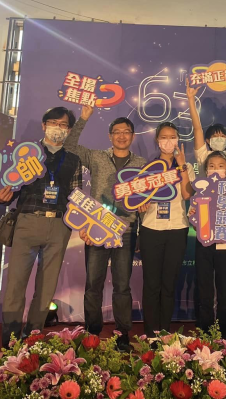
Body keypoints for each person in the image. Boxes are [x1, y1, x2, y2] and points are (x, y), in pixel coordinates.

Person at [0, 106, 83, 348]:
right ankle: (10, 340)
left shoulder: (73, 160)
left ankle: (33, 337)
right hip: (27, 221)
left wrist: (85, 221)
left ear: (69, 130)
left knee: (46, 287)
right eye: (53, 123)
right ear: (44, 125)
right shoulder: (26, 154)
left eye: (63, 125)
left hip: (59, 225)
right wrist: (2, 196)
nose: (58, 128)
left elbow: (76, 196)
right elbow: (10, 186)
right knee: (15, 284)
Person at [63, 105, 147, 351]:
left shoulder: (141, 163)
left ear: (132, 136)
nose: (122, 136)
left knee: (122, 286)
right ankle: (92, 334)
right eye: (117, 132)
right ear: (110, 136)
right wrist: (83, 118)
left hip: (126, 231)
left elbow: (144, 198)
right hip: (96, 229)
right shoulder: (97, 156)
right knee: (94, 284)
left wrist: (142, 221)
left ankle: (123, 335)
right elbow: (69, 147)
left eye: (126, 132)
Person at [138, 122, 194, 335]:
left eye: (172, 137)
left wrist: (182, 165)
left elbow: (187, 194)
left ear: (178, 140)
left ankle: (164, 333)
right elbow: (139, 198)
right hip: (151, 228)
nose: (168, 141)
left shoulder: (185, 167)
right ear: (157, 140)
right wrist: (141, 204)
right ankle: (150, 333)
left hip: (177, 228)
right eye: (164, 137)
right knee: (151, 284)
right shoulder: (149, 168)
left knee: (169, 284)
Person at [188, 151, 226, 338]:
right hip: (204, 243)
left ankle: (224, 328)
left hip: (225, 243)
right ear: (205, 170)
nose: (216, 169)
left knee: (225, 286)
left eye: (220, 166)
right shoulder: (200, 192)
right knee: (204, 286)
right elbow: (194, 223)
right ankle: (205, 327)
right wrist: (195, 217)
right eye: (211, 166)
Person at [186, 77, 226, 177]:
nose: (219, 138)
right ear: (207, 140)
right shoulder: (203, 156)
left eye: (222, 136)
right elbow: (197, 129)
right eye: (215, 136)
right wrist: (191, 99)